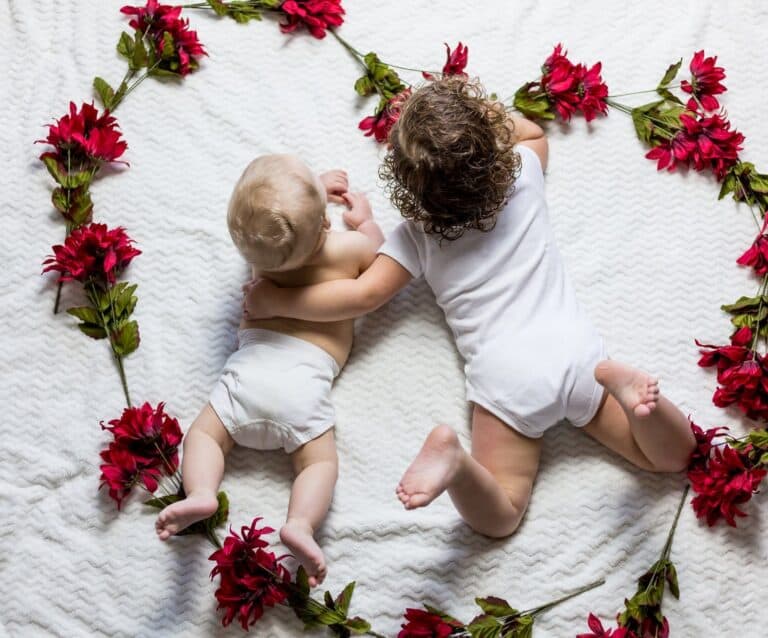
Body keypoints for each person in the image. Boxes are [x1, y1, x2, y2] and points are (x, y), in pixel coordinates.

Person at [241, 78, 696, 539]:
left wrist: (278, 298)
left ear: (406, 184)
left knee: (502, 515)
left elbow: (362, 296)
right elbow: (534, 134)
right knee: (671, 456)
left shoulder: (418, 236)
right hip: (580, 358)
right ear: (492, 145)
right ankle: (635, 396)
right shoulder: (522, 174)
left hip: (507, 378)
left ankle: (456, 463)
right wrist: (479, 117)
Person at [156, 154, 384, 585]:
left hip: (248, 377)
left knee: (204, 434)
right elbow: (375, 246)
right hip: (304, 386)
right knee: (317, 464)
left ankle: (203, 491)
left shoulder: (264, 257)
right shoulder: (345, 250)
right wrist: (365, 219)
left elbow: (280, 226)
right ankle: (300, 522)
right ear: (323, 227)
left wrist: (310, 193)